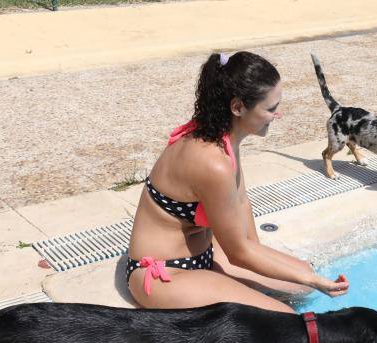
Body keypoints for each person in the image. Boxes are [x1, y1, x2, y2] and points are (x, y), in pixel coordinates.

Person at [127, 51, 349, 312]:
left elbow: (242, 207)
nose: (277, 115)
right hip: (164, 274)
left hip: (206, 255)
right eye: (270, 108)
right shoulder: (212, 162)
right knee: (285, 318)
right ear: (238, 107)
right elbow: (239, 253)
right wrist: (311, 280)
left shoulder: (224, 136)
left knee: (302, 283)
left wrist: (293, 274)